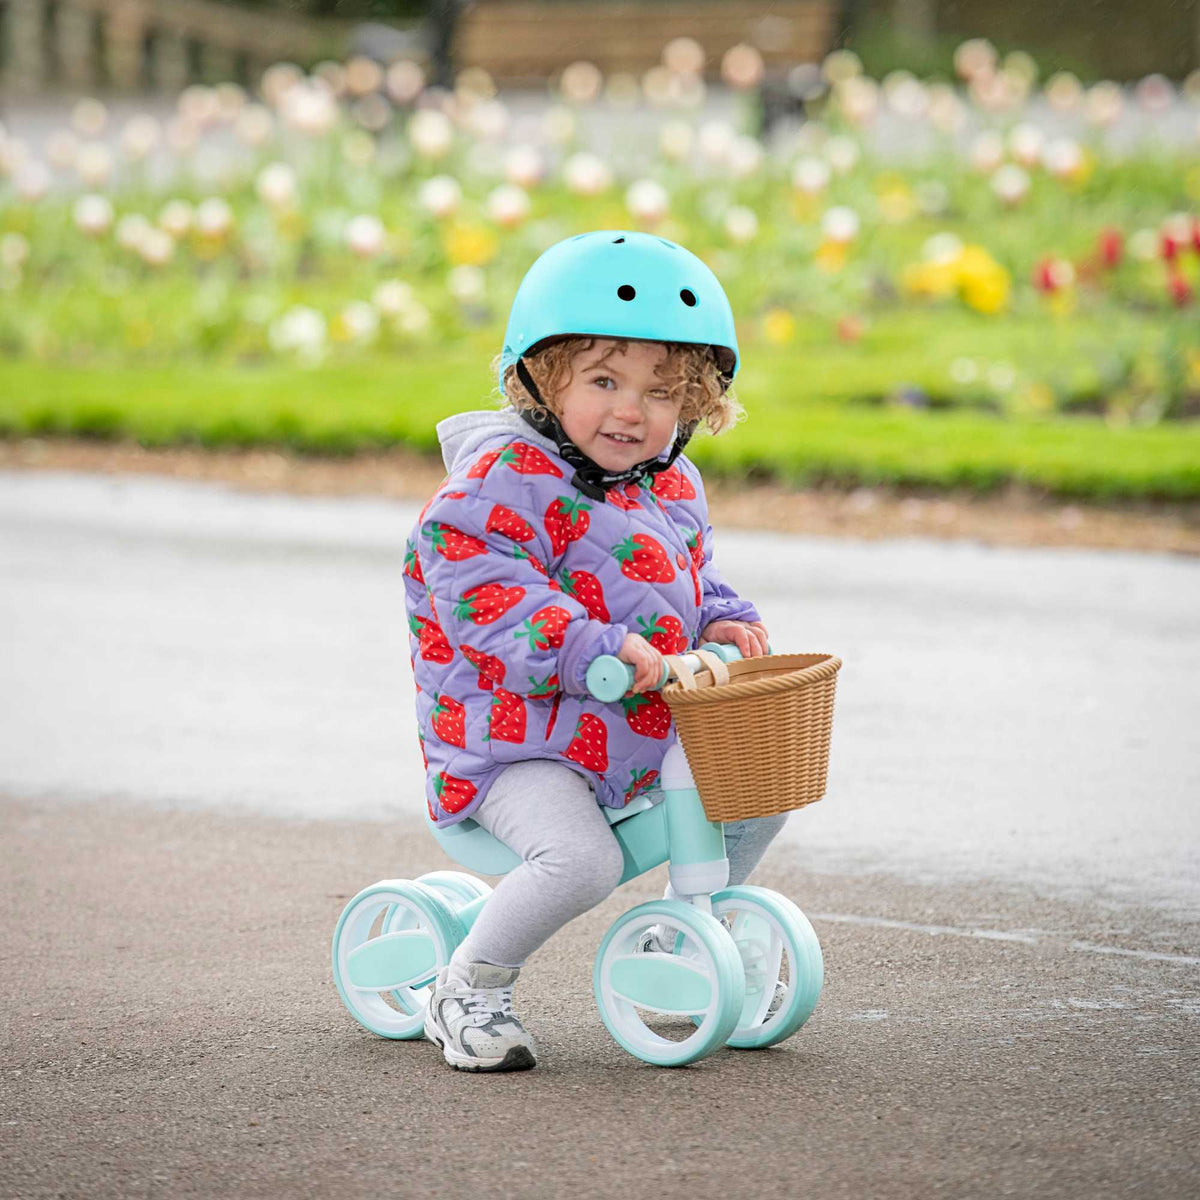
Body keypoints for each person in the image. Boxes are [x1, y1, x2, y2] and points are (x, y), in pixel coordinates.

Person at [404, 230, 786, 1072]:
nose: (631, 411)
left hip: (628, 727)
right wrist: (592, 648)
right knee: (581, 860)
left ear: (696, 402)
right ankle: (467, 986)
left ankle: (700, 945)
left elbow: (688, 576)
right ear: (541, 380)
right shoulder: (491, 485)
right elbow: (490, 601)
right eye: (603, 381)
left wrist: (720, 619)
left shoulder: (668, 479)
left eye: (660, 392)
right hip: (513, 741)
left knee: (755, 795)